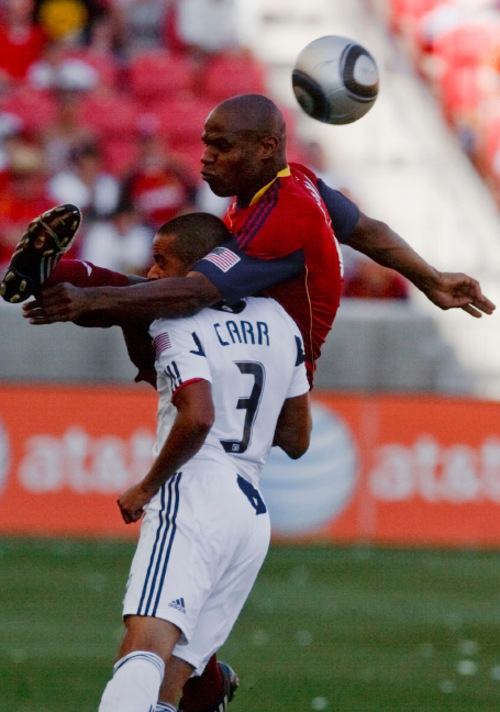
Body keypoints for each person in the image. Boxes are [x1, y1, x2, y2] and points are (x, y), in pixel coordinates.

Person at [2, 92, 496, 712]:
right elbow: (365, 231)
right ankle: (211, 684)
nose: (204, 157)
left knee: (145, 645)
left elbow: (191, 295)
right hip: (259, 449)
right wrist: (432, 279)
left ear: (266, 148)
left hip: (214, 433)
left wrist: (91, 305)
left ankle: (61, 278)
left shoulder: (278, 218)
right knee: (180, 674)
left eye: (221, 146)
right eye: (205, 142)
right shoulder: (297, 183)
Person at [97, 211, 312, 712]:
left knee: (141, 653)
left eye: (161, 262)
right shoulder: (282, 321)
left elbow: (197, 417)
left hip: (193, 492)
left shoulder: (178, 318)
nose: (151, 275)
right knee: (172, 684)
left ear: (200, 268)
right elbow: (298, 438)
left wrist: (148, 486)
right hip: (250, 514)